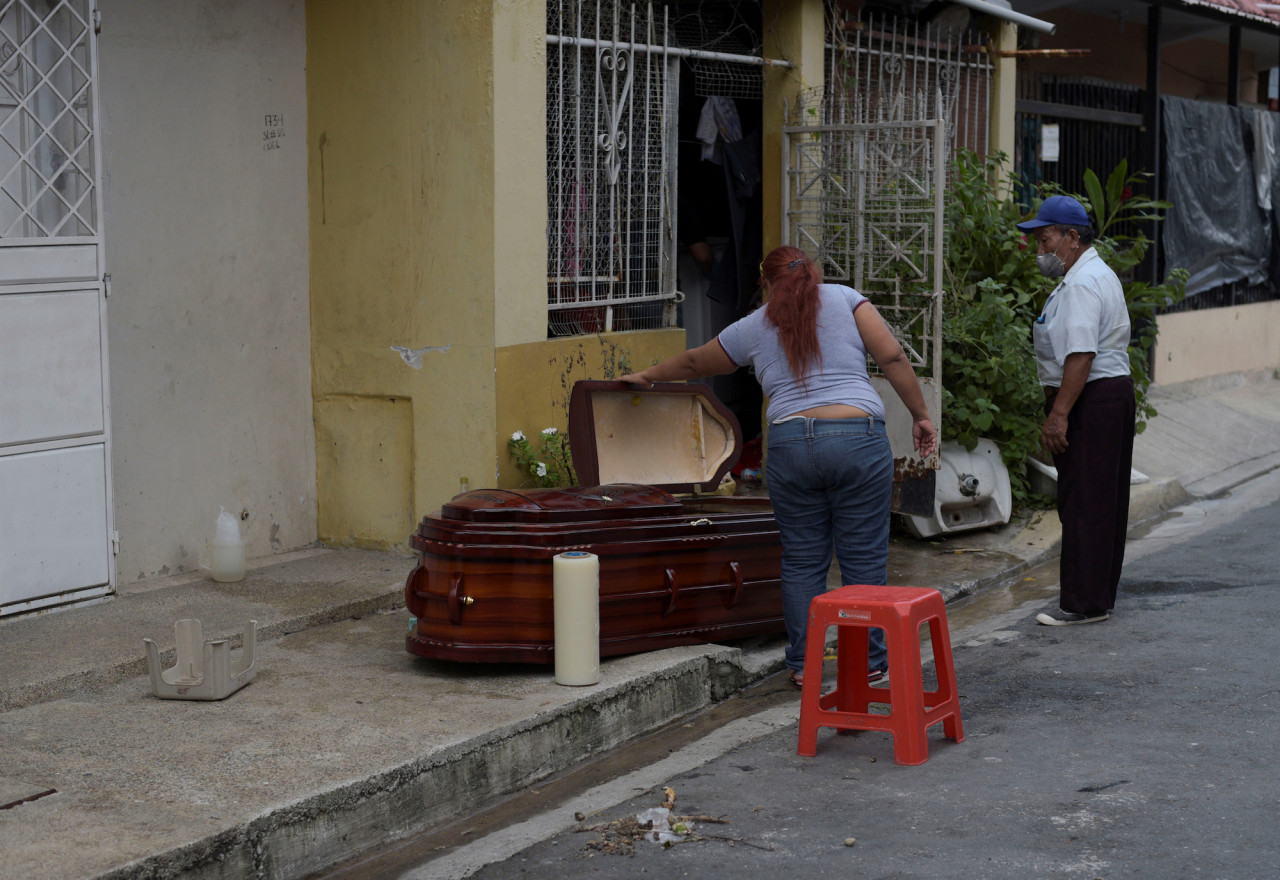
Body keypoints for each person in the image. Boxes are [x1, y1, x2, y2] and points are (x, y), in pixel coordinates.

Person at [619, 245, 937, 687]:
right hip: (855, 438)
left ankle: (807, 667)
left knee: (804, 562)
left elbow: (695, 362)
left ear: (767, 284)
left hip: (789, 443)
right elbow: (893, 358)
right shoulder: (846, 299)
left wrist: (648, 375)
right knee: (862, 561)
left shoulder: (755, 324)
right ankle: (869, 665)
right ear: (814, 275)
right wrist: (921, 416)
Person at [1017, 195, 1135, 626]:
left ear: (1071, 237)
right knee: (1102, 500)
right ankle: (1095, 597)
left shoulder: (1082, 283)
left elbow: (1081, 355)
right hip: (1108, 395)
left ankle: (1083, 603)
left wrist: (1059, 414)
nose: (1040, 249)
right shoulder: (1093, 274)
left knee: (1085, 500)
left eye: (1045, 238)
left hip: (1092, 398)